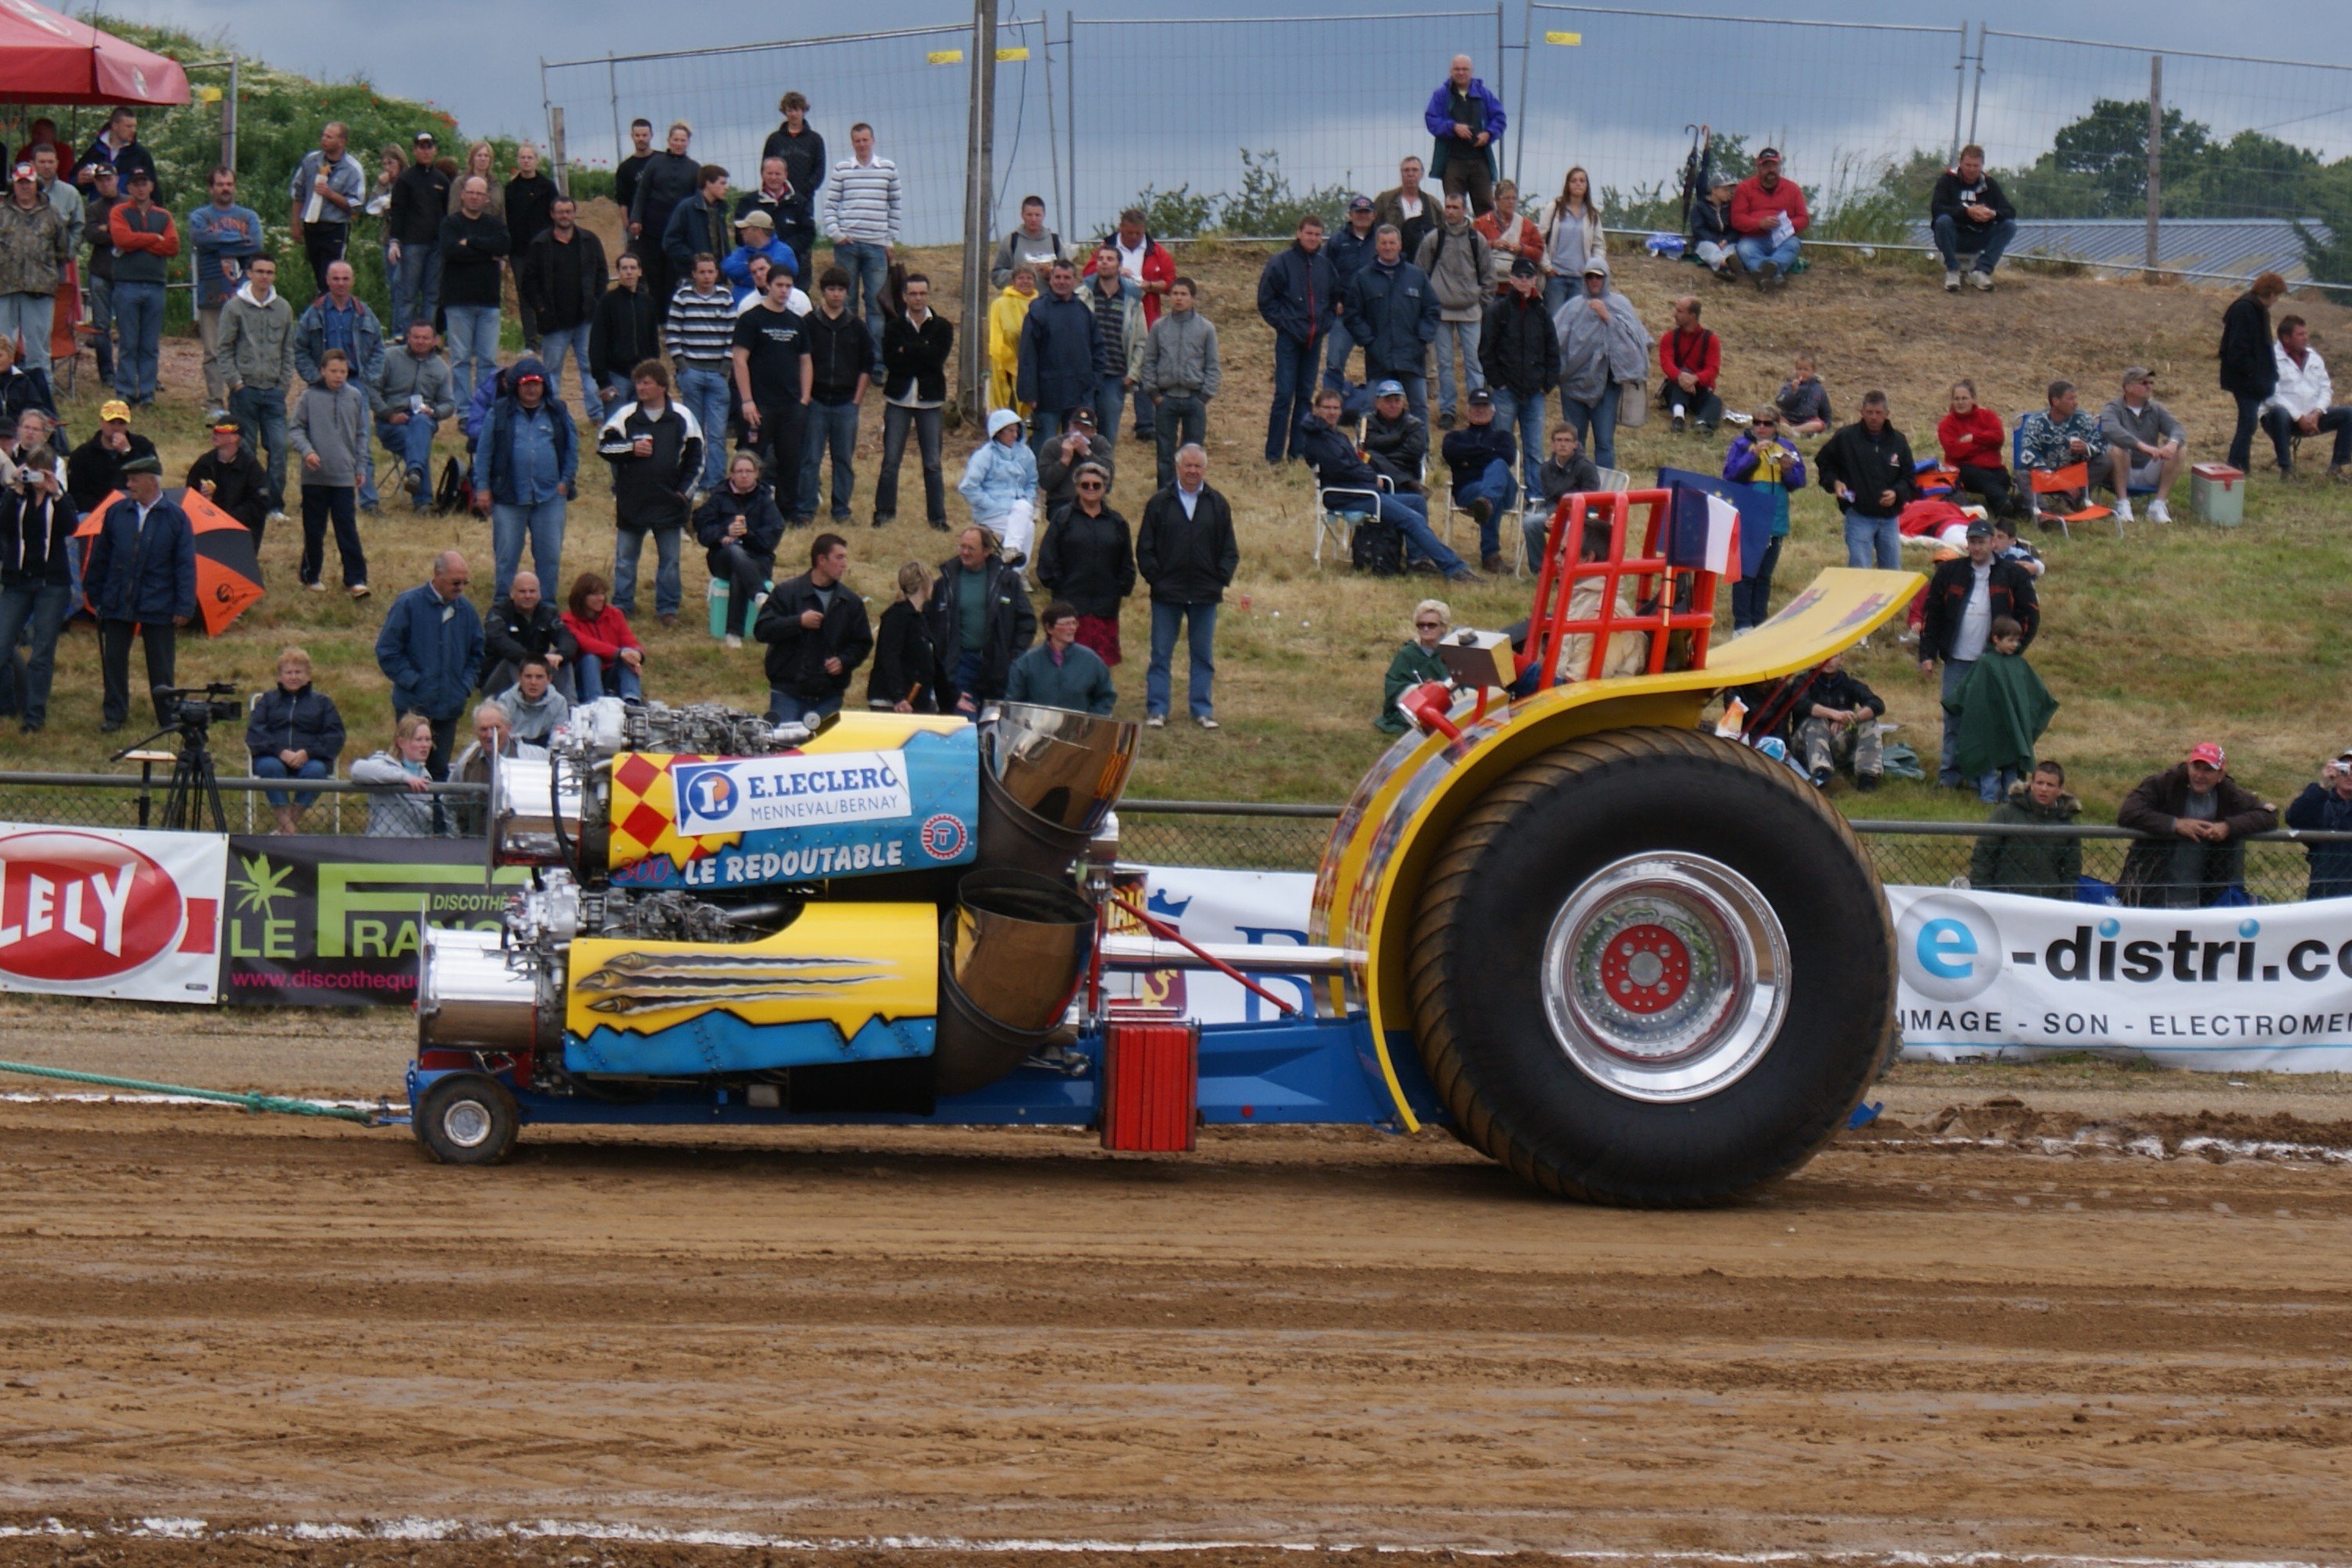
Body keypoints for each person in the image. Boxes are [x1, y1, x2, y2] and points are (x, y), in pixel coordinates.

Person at [1298, 390, 1472, 583]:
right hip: (1349, 496)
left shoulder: (1335, 435)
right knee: (1411, 519)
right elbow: (1342, 470)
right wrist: (1372, 478)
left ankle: (1417, 560)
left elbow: (1355, 464)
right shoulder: (1319, 438)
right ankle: (1454, 568)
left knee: (1416, 502)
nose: (1332, 413)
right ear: (1316, 409)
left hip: (1362, 493)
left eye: (1336, 408)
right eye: (1327, 408)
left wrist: (1370, 477)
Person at [1918, 520, 2039, 791]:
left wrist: (2014, 649)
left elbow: (2030, 613)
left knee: (1994, 721)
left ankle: (1986, 777)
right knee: (1954, 718)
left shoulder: (2013, 575)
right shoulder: (1950, 572)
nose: (1976, 547)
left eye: (1981, 542)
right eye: (1972, 542)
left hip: (1994, 664)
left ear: (1993, 543)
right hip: (1957, 659)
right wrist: (1927, 653)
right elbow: (1932, 614)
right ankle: (1950, 775)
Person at [84, 453, 193, 732]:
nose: (128, 484)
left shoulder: (176, 518)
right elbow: (101, 555)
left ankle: (167, 718)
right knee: (114, 661)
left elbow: (184, 565)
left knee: (161, 666)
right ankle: (115, 714)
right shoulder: (117, 512)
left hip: (159, 603)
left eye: (133, 479)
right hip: (118, 600)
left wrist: (183, 606)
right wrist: (95, 592)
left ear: (150, 481)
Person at [1135, 444, 1241, 728]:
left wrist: (1220, 578)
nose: (1193, 471)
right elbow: (1145, 548)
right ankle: (1157, 709)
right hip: (1167, 594)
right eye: (1188, 466)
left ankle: (1202, 709)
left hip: (1205, 594)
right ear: (1177, 467)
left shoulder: (1217, 503)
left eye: (1198, 466)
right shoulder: (1160, 503)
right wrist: (1157, 578)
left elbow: (1229, 550)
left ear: (1205, 469)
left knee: (1203, 655)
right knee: (1160, 654)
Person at [598, 361, 702, 625]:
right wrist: (630, 450)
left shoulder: (682, 416)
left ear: (662, 387)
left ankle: (668, 608)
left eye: (647, 383)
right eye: (638, 382)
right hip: (633, 501)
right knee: (625, 559)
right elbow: (604, 447)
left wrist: (683, 494)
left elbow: (697, 459)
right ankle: (622, 604)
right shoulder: (626, 416)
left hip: (670, 502)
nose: (641, 388)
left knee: (670, 561)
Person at [2116, 742, 2277, 909]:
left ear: (2220, 775)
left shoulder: (2227, 792)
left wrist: (2228, 827)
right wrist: (2175, 824)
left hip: (2202, 900)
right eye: (2196, 767)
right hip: (2148, 895)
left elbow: (2269, 814)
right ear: (2188, 766)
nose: (2200, 775)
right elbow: (2128, 812)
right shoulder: (2166, 783)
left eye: (2208, 770)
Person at [472, 355, 576, 604]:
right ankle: (503, 603)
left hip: (550, 496)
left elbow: (572, 449)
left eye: (537, 384)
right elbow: (484, 452)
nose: (532, 389)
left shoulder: (558, 412)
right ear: (516, 386)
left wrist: (565, 482)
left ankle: (547, 605)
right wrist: (483, 489)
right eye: (526, 384)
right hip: (508, 497)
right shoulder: (498, 413)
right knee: (507, 555)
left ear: (544, 386)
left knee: (550, 555)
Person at [375, 551, 482, 775]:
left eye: (465, 582)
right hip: (412, 706)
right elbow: (387, 650)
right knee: (408, 768)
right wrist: (413, 681)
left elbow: (477, 654)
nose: (461, 587)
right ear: (437, 575)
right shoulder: (408, 604)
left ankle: (436, 810)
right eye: (455, 582)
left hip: (449, 707)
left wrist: (463, 686)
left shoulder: (467, 611)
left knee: (439, 770)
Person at [0, 412, 73, 734]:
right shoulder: (18, 496)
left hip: (51, 583)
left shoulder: (58, 500)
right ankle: (6, 707)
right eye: (31, 473)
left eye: (40, 473)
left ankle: (34, 716)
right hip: (18, 580)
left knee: (42, 652)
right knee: (1, 645)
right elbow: (3, 525)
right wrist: (14, 490)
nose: (35, 479)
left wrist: (56, 493)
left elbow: (71, 527)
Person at [293, 260, 387, 510]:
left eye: (345, 278)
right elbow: (299, 348)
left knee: (360, 440)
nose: (341, 283)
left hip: (355, 383)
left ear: (353, 280)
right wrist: (315, 377)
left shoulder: (364, 312)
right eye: (336, 278)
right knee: (319, 442)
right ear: (327, 280)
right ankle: (314, 497)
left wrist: (369, 379)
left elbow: (379, 348)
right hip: (321, 384)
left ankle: (368, 500)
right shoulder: (314, 313)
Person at [925, 524, 1034, 716]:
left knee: (994, 730)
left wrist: (1013, 657)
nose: (965, 552)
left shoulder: (1007, 582)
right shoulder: (944, 584)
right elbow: (929, 624)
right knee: (964, 724)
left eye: (971, 548)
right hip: (961, 665)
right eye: (962, 547)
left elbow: (1027, 622)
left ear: (986, 551)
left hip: (998, 668)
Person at [289, 348, 372, 598]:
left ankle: (355, 578)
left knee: (346, 527)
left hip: (344, 476)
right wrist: (307, 452)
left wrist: (360, 466)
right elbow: (295, 429)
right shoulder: (309, 397)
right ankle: (311, 574)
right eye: (333, 371)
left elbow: (361, 434)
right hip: (315, 477)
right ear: (322, 371)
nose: (338, 376)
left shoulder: (356, 397)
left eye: (343, 372)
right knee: (314, 527)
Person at [1946, 613, 2054, 804]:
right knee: (1988, 766)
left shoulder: (2018, 664)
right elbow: (1970, 694)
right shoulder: (1985, 664)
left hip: (2012, 730)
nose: (2015, 645)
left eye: (2017, 641)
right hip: (1990, 729)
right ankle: (1988, 799)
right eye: (2010, 640)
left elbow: (2031, 693)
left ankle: (2012, 800)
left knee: (2011, 765)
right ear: (1996, 638)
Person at [1552, 256, 1646, 471]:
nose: (1594, 281)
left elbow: (1636, 345)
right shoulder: (1572, 308)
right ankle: (1575, 491)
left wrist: (1608, 318)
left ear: (1606, 278)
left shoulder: (1621, 305)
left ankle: (1604, 498)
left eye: (1599, 276)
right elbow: (1555, 343)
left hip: (1607, 387)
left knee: (1604, 443)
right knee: (1574, 444)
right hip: (1572, 388)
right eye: (1590, 276)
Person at [876, 271, 953, 530]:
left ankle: (937, 518)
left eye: (922, 293)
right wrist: (922, 350)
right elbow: (891, 361)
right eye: (913, 294)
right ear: (904, 297)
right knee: (890, 461)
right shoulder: (894, 326)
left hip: (930, 402)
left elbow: (936, 359)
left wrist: (907, 349)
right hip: (898, 399)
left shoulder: (942, 326)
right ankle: (884, 514)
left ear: (928, 295)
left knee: (932, 463)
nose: (918, 298)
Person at [1036, 461, 1134, 666]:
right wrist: (1060, 586)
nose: (1090, 489)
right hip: (1070, 609)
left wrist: (1119, 588)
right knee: (1067, 665)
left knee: (1101, 668)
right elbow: (1048, 558)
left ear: (1105, 488)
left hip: (1105, 609)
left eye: (1096, 485)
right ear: (1077, 487)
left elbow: (1126, 563)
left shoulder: (1117, 523)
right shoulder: (1063, 519)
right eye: (1085, 485)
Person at [1255, 216, 1335, 466]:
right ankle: (1273, 455)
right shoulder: (1281, 263)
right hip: (1289, 339)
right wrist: (1284, 324)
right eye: (1309, 233)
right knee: (1284, 395)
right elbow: (1266, 300)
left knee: (1305, 397)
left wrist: (1325, 324)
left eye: (1317, 234)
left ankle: (1298, 452)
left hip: (1314, 340)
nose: (1312, 238)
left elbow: (1335, 299)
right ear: (1299, 233)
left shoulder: (1325, 266)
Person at [518, 195, 608, 416]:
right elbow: (529, 281)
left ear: (574, 213)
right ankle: (550, 411)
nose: (565, 216)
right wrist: (541, 309)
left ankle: (596, 413)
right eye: (560, 212)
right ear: (552, 214)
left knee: (590, 368)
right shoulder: (540, 244)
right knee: (552, 371)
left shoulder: (589, 240)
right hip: (554, 322)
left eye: (568, 211)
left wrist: (595, 301)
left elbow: (601, 273)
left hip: (585, 319)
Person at [821, 123, 900, 373]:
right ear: (852, 143)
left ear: (873, 141)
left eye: (866, 140)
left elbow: (895, 205)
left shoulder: (887, 169)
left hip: (877, 245)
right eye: (857, 141)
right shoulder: (842, 170)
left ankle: (876, 362)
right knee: (847, 302)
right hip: (848, 245)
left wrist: (890, 239)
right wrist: (836, 234)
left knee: (877, 305)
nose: (862, 144)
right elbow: (831, 204)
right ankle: (850, 361)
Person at [1479, 257, 1557, 509]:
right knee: (1502, 446)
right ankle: (1499, 493)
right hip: (1505, 392)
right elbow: (1486, 350)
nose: (1524, 281)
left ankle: (1534, 496)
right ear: (1510, 279)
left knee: (1534, 449)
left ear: (1535, 280)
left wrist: (1548, 384)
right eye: (1519, 276)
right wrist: (1497, 382)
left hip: (1534, 393)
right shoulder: (1497, 310)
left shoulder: (1542, 314)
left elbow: (1553, 352)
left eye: (1528, 276)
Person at [798, 265, 873, 527]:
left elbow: (867, 365)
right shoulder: (809, 323)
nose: (836, 295)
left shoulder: (857, 326)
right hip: (816, 401)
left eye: (841, 290)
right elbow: (801, 360)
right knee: (810, 458)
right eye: (831, 289)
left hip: (845, 404)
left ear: (847, 293)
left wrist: (857, 400)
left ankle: (841, 509)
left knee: (843, 460)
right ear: (823, 291)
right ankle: (806, 509)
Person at [731, 264, 811, 507]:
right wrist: (747, 401)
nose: (784, 291)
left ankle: (787, 511)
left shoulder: (797, 322)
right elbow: (739, 359)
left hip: (790, 405)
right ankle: (745, 507)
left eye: (789, 286)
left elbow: (806, 361)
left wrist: (804, 400)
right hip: (759, 405)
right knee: (752, 459)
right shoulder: (751, 319)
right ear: (768, 285)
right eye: (780, 285)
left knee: (790, 461)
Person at [187, 165, 263, 415]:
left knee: (242, 349)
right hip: (211, 291)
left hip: (242, 294)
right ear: (211, 188)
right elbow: (201, 240)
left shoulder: (248, 216)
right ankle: (215, 402)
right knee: (213, 351)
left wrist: (219, 242)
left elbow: (255, 245)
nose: (225, 189)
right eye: (220, 184)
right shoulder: (200, 215)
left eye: (229, 184)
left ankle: (240, 400)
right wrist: (236, 241)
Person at [1094, 208, 1177, 440]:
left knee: (1144, 366)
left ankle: (1146, 423)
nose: (1132, 237)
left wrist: (1149, 286)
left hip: (1146, 315)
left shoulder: (1156, 251)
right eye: (1128, 233)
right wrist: (1115, 271)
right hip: (1109, 318)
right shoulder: (1105, 250)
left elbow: (1171, 282)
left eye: (1137, 233)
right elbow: (1090, 274)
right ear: (1121, 229)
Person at [1346, 224, 1439, 426]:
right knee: (1371, 407)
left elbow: (1432, 309)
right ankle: (1366, 452)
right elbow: (1352, 314)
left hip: (1412, 357)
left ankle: (1420, 454)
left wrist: (1422, 339)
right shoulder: (1363, 278)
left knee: (1419, 407)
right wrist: (1369, 341)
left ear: (1400, 245)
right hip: (1379, 358)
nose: (1388, 247)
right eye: (1383, 243)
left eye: (1392, 243)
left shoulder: (1417, 276)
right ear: (1376, 246)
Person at [245, 647, 345, 833]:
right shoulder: (267, 701)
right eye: (288, 672)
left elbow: (335, 735)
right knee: (270, 767)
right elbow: (255, 733)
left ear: (308, 675)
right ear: (280, 677)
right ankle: (290, 830)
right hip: (273, 756)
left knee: (316, 771)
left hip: (310, 759)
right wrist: (280, 752)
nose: (293, 677)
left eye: (298, 672)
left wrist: (307, 753)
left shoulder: (323, 703)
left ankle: (284, 830)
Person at [695, 450, 787, 648]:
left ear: (757, 474)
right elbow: (702, 530)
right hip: (722, 559)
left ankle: (733, 633)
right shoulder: (718, 497)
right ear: (731, 474)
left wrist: (746, 535)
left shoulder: (766, 500)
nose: (744, 475)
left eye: (748, 471)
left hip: (758, 560)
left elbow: (771, 539)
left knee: (741, 571)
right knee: (734, 551)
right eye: (739, 471)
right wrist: (723, 533)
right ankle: (759, 595)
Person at [662, 252, 735, 495]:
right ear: (694, 274)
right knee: (693, 431)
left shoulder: (725, 298)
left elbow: (731, 335)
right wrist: (682, 365)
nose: (706, 276)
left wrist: (725, 367)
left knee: (716, 433)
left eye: (710, 272)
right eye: (702, 272)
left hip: (717, 374)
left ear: (717, 273)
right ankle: (694, 478)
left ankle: (714, 482)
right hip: (691, 372)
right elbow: (672, 333)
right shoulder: (683, 297)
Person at [1723, 409, 1803, 633]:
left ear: (1776, 425)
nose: (1760, 427)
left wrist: (1788, 470)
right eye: (1756, 422)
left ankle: (1760, 623)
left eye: (1766, 423)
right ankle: (1742, 624)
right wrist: (1752, 456)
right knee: (1745, 574)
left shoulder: (1787, 447)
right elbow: (1730, 475)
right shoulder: (1741, 445)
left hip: (1775, 519)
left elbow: (1799, 481)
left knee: (1764, 576)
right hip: (1748, 518)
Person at [1416, 193, 1491, 430]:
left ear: (1464, 209)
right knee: (1445, 364)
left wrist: (1483, 303)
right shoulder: (1433, 239)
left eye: (1456, 207)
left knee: (1474, 362)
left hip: (1470, 311)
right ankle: (1447, 410)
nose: (1451, 211)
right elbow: (1420, 273)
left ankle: (1477, 408)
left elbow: (1488, 274)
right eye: (1447, 207)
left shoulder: (1476, 239)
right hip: (1441, 312)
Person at [1817, 390, 1915, 568]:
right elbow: (1824, 463)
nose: (1873, 417)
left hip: (1890, 518)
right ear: (1861, 412)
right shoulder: (1846, 437)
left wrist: (1896, 493)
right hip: (1858, 515)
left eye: (1878, 413)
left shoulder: (1898, 441)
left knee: (1892, 572)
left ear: (1887, 414)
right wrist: (1835, 483)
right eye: (1869, 412)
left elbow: (1909, 477)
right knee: (1859, 570)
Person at [1141, 277, 1219, 492]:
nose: (1179, 298)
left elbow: (1213, 366)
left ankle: (1191, 492)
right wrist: (1154, 393)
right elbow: (1148, 361)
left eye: (1184, 294)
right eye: (1175, 293)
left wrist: (1204, 397)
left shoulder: (1206, 329)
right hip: (1166, 399)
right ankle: (1165, 496)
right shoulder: (1159, 327)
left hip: (1195, 399)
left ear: (1193, 298)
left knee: (1193, 453)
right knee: (1165, 453)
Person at [105, 167, 176, 405]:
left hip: (155, 285)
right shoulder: (119, 212)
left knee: (149, 344)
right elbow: (121, 239)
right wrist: (155, 239)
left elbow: (173, 247)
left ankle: (147, 392)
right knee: (128, 342)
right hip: (127, 284)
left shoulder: (164, 216)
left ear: (151, 186)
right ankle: (125, 390)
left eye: (144, 183)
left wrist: (139, 242)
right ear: (129, 188)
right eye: (136, 183)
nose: (141, 187)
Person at [437, 176, 510, 405]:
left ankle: (483, 405)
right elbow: (450, 251)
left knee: (487, 359)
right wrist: (487, 254)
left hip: (489, 301)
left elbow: (504, 245)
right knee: (460, 360)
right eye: (471, 192)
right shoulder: (450, 224)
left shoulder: (495, 224)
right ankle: (464, 409)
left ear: (487, 198)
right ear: (462, 194)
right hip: (458, 301)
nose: (475, 197)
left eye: (480, 194)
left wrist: (471, 243)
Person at [1018, 259, 1102, 456]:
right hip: (1047, 397)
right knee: (1045, 449)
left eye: (1067, 278)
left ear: (1075, 281)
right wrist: (1029, 394)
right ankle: (1043, 484)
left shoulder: (1084, 312)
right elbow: (1027, 355)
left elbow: (1098, 349)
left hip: (1080, 395)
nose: (1062, 282)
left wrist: (1094, 384)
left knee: (1078, 448)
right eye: (1057, 277)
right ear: (1051, 280)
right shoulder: (1037, 311)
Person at [1968, 760, 2083, 901]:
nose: (2044, 789)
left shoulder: (2068, 828)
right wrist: (1983, 894)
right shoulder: (2005, 814)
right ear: (2031, 784)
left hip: (2048, 904)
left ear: (2060, 790)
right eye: (2040, 783)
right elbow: (1984, 856)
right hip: (2002, 899)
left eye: (2050, 785)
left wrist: (2065, 904)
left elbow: (2071, 874)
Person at [0, 161, 73, 379]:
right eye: (20, 183)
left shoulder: (52, 214)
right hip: (4, 288)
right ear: (13, 184)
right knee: (2, 348)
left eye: (28, 183)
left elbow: (63, 249)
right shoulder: (1, 212)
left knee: (39, 350)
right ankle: (4, 400)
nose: (24, 187)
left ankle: (42, 402)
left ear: (36, 184)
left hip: (40, 289)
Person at [373, 321, 454, 513]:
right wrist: (389, 414)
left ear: (434, 340)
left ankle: (415, 476)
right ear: (408, 337)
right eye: (416, 337)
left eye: (425, 338)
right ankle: (422, 499)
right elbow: (372, 391)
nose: (420, 341)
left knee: (420, 425)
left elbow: (449, 404)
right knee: (419, 443)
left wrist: (434, 412)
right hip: (391, 424)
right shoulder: (390, 357)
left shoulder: (441, 368)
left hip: (423, 421)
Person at [2261, 314, 2352, 482]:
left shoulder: (2314, 358)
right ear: (2286, 338)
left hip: (2312, 418)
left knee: (2349, 413)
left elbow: (2325, 388)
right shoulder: (2270, 359)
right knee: (2279, 413)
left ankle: (2337, 469)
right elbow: (2271, 395)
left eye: (2306, 334)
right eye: (2300, 335)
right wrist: (2299, 417)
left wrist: (2317, 412)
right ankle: (2286, 471)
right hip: (2279, 419)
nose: (2306, 338)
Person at [1443, 390, 1519, 572]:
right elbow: (1451, 453)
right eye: (1476, 406)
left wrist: (1470, 457)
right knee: (1492, 496)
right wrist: (1489, 452)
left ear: (1493, 411)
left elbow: (1508, 457)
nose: (1480, 410)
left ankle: (1487, 501)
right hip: (1469, 491)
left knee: (1499, 465)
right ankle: (1491, 556)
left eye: (1484, 407)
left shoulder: (1504, 437)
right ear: (1468, 411)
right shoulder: (1454, 437)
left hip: (1504, 490)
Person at [2220, 271, 2288, 474]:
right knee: (2248, 423)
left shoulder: (2255, 309)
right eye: (2278, 294)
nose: (2277, 299)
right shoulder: (2246, 309)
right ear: (2271, 292)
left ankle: (2240, 465)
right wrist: (2253, 374)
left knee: (2248, 424)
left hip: (2251, 379)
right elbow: (2237, 348)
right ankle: (2236, 466)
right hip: (2245, 380)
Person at [286, 122, 363, 300]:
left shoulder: (352, 169)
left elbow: (356, 204)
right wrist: (295, 223)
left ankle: (331, 305)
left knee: (332, 273)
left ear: (342, 141)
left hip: (334, 226)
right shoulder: (311, 161)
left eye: (329, 137)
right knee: (317, 271)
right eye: (324, 135)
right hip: (311, 224)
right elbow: (298, 192)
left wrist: (331, 194)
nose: (324, 140)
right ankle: (320, 305)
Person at [2097, 367, 2187, 521]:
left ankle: (2158, 504)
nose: (2149, 387)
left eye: (2150, 383)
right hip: (2121, 470)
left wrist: (2172, 443)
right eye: (2143, 383)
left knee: (2180, 448)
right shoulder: (2113, 408)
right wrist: (2141, 446)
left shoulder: (2155, 408)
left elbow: (2177, 428)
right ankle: (2122, 504)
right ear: (2128, 387)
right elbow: (2111, 430)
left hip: (2148, 469)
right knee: (2118, 449)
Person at [385, 132, 452, 334]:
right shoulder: (405, 179)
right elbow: (397, 212)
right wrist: (395, 242)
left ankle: (427, 337)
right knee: (408, 294)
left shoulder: (441, 179)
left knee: (432, 294)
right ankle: (405, 335)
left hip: (436, 245)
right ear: (414, 150)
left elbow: (447, 213)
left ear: (435, 150)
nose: (425, 150)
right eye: (421, 146)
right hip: (412, 244)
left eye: (429, 146)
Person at [1791, 650, 1885, 790]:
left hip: (1836, 742)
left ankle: (1867, 777)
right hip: (1805, 745)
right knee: (1818, 720)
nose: (1829, 661)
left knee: (1868, 721)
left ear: (1842, 660)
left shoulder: (1849, 683)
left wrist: (1851, 719)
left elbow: (1877, 704)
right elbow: (1800, 703)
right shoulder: (1803, 681)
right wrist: (1834, 715)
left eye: (1834, 656)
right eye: (1824, 656)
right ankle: (1821, 776)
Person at [1424, 54, 1505, 215]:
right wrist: (1453, 127)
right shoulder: (1441, 95)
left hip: (1480, 159)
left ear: (1472, 71)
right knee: (1454, 206)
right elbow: (1431, 120)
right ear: (1451, 71)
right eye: (1457, 69)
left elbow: (1500, 118)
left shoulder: (1484, 94)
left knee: (1486, 208)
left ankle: (1486, 240)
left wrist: (1489, 133)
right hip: (1452, 160)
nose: (1461, 73)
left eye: (1464, 69)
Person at [1080, 245, 1146, 444]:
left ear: (1119, 265)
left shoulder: (1133, 301)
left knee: (1107, 438)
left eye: (1110, 259)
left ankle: (1104, 473)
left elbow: (1142, 341)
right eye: (1101, 258)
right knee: (1082, 435)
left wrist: (1132, 374)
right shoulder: (1082, 296)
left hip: (1114, 377)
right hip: (1085, 376)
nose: (1104, 262)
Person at [1929, 144, 2016, 293]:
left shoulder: (1990, 185)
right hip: (1953, 236)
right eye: (1968, 165)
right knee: (1942, 221)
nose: (1971, 169)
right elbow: (1937, 209)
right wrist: (1966, 212)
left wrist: (1992, 214)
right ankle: (1952, 271)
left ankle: (1981, 271)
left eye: (1976, 166)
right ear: (1960, 163)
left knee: (2009, 226)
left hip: (1980, 236)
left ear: (1982, 166)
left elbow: (2010, 211)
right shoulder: (1947, 181)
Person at [960, 408, 1041, 565]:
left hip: (1020, 509)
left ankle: (1011, 553)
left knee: (1023, 506)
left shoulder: (1026, 454)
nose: (1015, 435)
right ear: (998, 432)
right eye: (1010, 431)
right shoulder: (984, 455)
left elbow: (1032, 483)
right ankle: (1017, 574)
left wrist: (1029, 501)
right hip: (991, 512)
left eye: (1017, 430)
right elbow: (968, 486)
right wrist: (991, 505)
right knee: (1028, 528)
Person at [628, 122, 698, 306]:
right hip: (653, 226)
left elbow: (697, 200)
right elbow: (641, 193)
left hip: (680, 229)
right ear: (668, 141)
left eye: (682, 140)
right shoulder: (655, 163)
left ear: (688, 142)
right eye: (675, 139)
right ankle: (657, 318)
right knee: (654, 272)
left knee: (673, 273)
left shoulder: (694, 168)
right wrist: (635, 218)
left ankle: (672, 314)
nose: (679, 143)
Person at [2016, 379, 2107, 520]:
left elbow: (2101, 446)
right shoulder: (2036, 422)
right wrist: (2057, 480)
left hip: (2073, 475)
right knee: (2022, 475)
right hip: (2045, 475)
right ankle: (2045, 515)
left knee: (2105, 461)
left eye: (2075, 398)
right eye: (2070, 399)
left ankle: (2067, 503)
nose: (2075, 403)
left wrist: (2086, 448)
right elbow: (2028, 455)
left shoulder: (2083, 419)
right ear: (2056, 401)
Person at [1007, 599, 1116, 716]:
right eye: (1066, 624)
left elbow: (1106, 696)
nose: (1072, 628)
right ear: (1049, 628)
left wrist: (1091, 720)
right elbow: (1013, 701)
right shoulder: (1027, 662)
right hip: (1037, 728)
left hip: (1078, 730)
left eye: (1074, 623)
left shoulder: (1092, 660)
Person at [481, 571, 576, 699]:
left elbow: (567, 638)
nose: (528, 596)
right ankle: (531, 705)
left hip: (535, 674)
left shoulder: (547, 613)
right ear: (512, 593)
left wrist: (559, 655)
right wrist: (532, 660)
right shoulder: (498, 613)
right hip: (498, 681)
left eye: (532, 591)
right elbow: (498, 640)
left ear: (539, 594)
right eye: (522, 591)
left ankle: (568, 708)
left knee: (561, 660)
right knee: (514, 659)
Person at [348, 713, 441, 837]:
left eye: (428, 739)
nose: (425, 745)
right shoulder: (384, 763)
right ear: (401, 743)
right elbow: (357, 769)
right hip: (382, 844)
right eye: (418, 740)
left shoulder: (427, 777)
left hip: (415, 848)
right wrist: (404, 778)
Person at [590, 251, 660, 414]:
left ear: (640, 271)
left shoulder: (648, 302)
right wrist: (603, 381)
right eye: (624, 268)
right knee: (616, 428)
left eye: (633, 268)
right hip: (616, 376)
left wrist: (653, 370)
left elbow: (653, 339)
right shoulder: (607, 302)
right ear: (618, 272)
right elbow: (597, 343)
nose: (629, 272)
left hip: (643, 375)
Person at [1323, 194, 1381, 393]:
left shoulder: (1382, 241)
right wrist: (1333, 301)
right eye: (1358, 212)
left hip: (1375, 314)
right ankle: (1330, 408)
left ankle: (1373, 410)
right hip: (1345, 314)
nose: (1362, 217)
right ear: (1350, 215)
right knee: (1334, 363)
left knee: (1378, 364)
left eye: (1366, 213)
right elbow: (1324, 274)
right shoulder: (1337, 242)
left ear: (1374, 215)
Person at [1524, 421, 1600, 567]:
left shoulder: (1586, 467)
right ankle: (1542, 570)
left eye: (1567, 440)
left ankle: (1565, 570)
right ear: (1553, 444)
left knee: (1566, 527)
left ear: (1575, 444)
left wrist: (1562, 516)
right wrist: (1554, 516)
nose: (1563, 444)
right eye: (1559, 440)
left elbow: (1591, 500)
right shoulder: (1546, 469)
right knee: (1530, 523)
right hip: (1556, 514)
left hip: (1583, 517)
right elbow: (1549, 499)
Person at [1729, 148, 1807, 288]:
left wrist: (1785, 224)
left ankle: (1764, 274)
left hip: (1783, 239)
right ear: (1758, 167)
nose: (1771, 170)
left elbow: (1804, 219)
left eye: (1774, 165)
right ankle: (1775, 274)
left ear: (1779, 166)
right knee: (1744, 249)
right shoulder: (1744, 188)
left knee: (1794, 244)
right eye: (1766, 166)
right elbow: (1737, 219)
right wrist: (1759, 224)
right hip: (1753, 239)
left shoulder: (1792, 189)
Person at [186, 416, 270, 546]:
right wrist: (202, 500)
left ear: (235, 437)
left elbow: (258, 506)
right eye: (214, 431)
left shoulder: (251, 467)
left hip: (239, 532)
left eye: (220, 432)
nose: (214, 435)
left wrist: (226, 518)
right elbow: (189, 494)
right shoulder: (204, 463)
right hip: (207, 529)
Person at [561, 571, 644, 703]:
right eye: (595, 594)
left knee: (628, 658)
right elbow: (586, 643)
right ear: (582, 596)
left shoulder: (615, 614)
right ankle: (595, 702)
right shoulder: (568, 620)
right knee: (591, 658)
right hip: (583, 675)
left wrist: (636, 653)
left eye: (603, 594)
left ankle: (632, 701)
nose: (601, 598)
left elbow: (628, 640)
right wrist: (619, 653)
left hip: (611, 672)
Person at [1937, 379, 2014, 518]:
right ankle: (2005, 506)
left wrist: (1973, 438)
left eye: (1964, 398)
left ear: (1973, 399)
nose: (1960, 402)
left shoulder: (1988, 416)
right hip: (1964, 470)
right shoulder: (1946, 424)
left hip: (1994, 468)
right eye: (1957, 399)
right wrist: (1985, 445)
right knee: (1983, 477)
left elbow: (1998, 438)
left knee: (2003, 480)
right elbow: (1954, 451)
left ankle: (2008, 505)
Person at [868, 561, 938, 713]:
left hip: (917, 702)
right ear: (924, 584)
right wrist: (898, 697)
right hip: (894, 704)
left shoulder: (920, 618)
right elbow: (889, 658)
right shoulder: (897, 616)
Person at [2284, 751, 2352, 901]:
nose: (2349, 775)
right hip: (2324, 893)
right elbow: (2295, 818)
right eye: (2343, 770)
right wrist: (2322, 786)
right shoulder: (2321, 802)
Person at [65, 398, 154, 512]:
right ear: (101, 422)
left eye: (121, 423)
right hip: (94, 512)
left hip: (135, 508)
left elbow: (153, 478)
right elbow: (76, 493)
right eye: (111, 422)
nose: (116, 428)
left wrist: (128, 452)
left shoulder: (143, 446)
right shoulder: (82, 454)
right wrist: (104, 510)